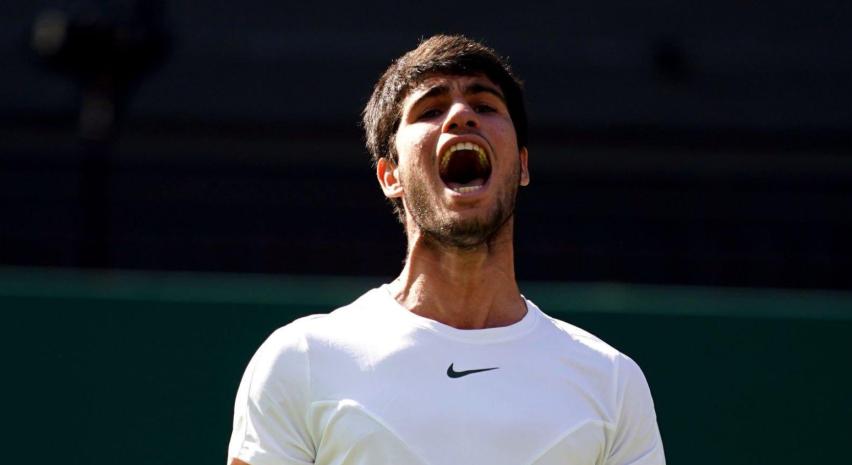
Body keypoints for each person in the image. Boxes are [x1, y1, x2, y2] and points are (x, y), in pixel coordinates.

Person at [227, 34, 665, 465]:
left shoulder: (612, 382)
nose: (460, 116)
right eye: (432, 109)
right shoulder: (301, 360)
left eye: (485, 105)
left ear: (523, 165)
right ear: (389, 176)